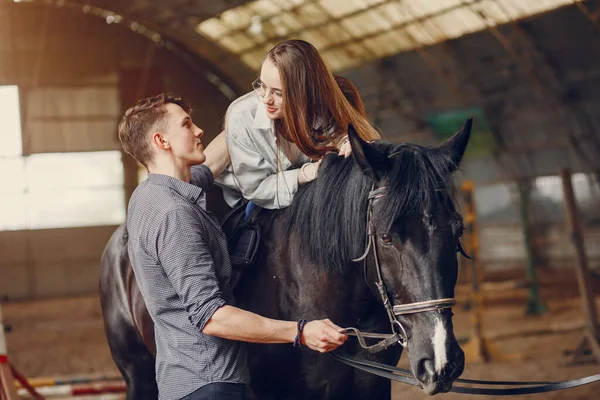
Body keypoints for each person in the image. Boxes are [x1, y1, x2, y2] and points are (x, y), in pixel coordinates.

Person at [118, 93, 348, 400]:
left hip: (183, 382)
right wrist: (301, 331)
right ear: (162, 140)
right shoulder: (174, 215)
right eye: (187, 125)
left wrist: (261, 103)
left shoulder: (148, 196)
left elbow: (210, 164)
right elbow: (212, 316)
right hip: (212, 385)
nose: (199, 131)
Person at [215, 39, 380, 210]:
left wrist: (347, 142)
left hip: (309, 192)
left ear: (303, 93)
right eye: (262, 86)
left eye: (278, 93)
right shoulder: (242, 115)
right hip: (250, 201)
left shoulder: (323, 104)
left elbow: (337, 136)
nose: (265, 99)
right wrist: (308, 172)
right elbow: (256, 189)